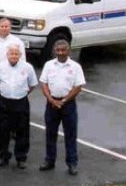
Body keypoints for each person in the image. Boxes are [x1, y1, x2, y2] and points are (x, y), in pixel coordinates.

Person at [39, 39, 85, 176]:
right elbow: (44, 84)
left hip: (68, 105)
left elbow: (78, 87)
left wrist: (64, 100)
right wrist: (51, 100)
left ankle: (72, 163)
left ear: (68, 50)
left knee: (70, 135)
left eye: (63, 50)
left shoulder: (75, 67)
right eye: (58, 50)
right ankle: (49, 161)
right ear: (54, 51)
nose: (60, 53)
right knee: (50, 134)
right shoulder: (48, 65)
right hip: (51, 104)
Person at [0, 44, 37, 169]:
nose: (13, 56)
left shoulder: (27, 67)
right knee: (3, 131)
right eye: (11, 53)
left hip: (21, 102)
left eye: (16, 53)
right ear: (7, 55)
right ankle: (3, 156)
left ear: (20, 55)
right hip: (4, 103)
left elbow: (32, 84)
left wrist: (22, 93)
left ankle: (21, 158)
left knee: (22, 131)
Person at [0, 18, 25, 135]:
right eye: (2, 26)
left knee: (11, 105)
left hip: (11, 78)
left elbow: (22, 61)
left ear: (10, 28)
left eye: (6, 26)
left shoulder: (17, 42)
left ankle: (12, 128)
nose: (4, 28)